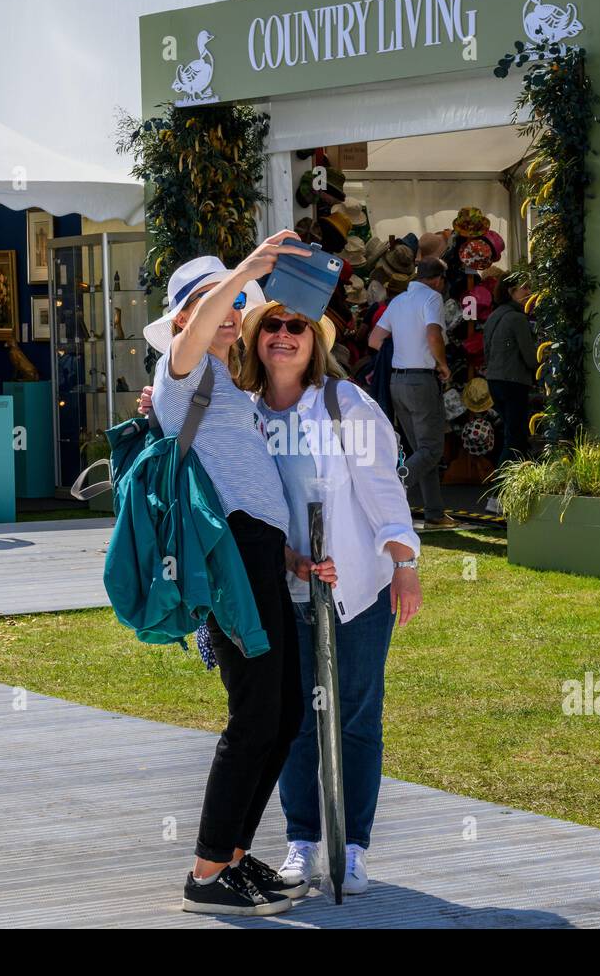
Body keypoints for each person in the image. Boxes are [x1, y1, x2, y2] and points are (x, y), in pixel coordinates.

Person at [145, 235, 315, 917]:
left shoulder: (223, 382)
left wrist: (287, 551)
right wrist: (244, 270)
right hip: (229, 558)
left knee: (285, 710)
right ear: (182, 320)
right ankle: (208, 871)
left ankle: (236, 859)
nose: (228, 314)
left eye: (230, 303)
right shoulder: (178, 368)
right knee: (255, 714)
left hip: (258, 555)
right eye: (207, 305)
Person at [234, 298, 421, 895]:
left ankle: (354, 846)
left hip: (356, 589)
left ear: (315, 342)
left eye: (297, 327)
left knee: (358, 715)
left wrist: (404, 561)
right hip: (282, 588)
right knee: (295, 719)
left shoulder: (347, 404)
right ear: (256, 340)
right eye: (272, 326)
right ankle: (303, 841)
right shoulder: (243, 413)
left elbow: (383, 492)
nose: (284, 336)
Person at [368, 258, 457, 530]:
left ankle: (434, 512)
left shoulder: (397, 302)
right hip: (421, 379)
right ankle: (390, 487)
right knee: (430, 450)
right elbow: (433, 334)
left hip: (398, 381)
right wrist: (443, 364)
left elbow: (374, 340)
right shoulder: (432, 298)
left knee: (421, 450)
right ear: (438, 279)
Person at [483, 275, 538, 467]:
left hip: (494, 381)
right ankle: (500, 490)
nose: (528, 293)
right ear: (510, 292)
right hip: (514, 381)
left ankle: (510, 485)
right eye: (524, 289)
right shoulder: (517, 318)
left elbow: (487, 351)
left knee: (511, 433)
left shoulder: (493, 316)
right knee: (515, 438)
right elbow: (531, 358)